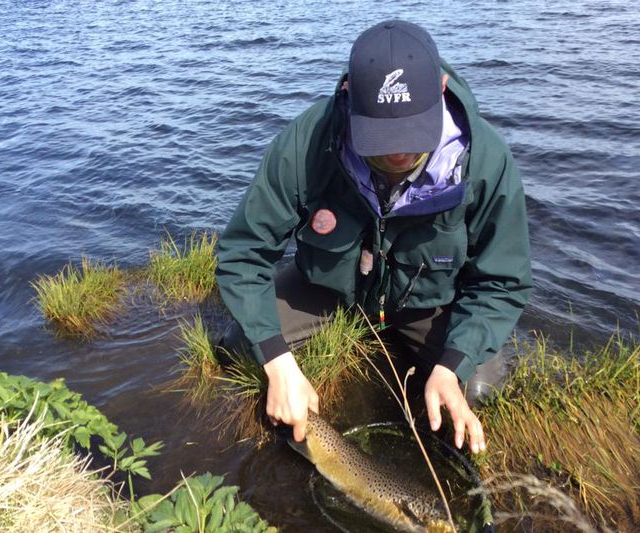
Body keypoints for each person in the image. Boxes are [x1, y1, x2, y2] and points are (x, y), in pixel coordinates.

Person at [216, 20, 532, 454]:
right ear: (348, 95)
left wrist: (452, 365)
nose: (398, 152)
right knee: (242, 344)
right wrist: (278, 361)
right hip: (328, 292)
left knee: (478, 384)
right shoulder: (306, 143)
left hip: (427, 306)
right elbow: (242, 254)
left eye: (411, 132)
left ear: (441, 89)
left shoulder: (486, 162)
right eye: (380, 137)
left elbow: (501, 282)